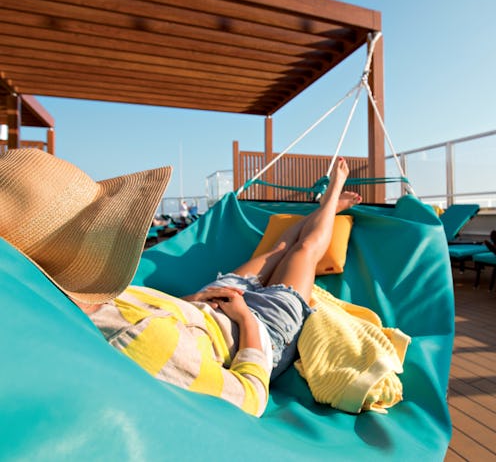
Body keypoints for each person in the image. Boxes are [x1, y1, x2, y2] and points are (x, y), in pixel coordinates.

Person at [0, 148, 361, 417]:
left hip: (210, 304)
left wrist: (198, 298)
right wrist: (245, 317)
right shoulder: (136, 341)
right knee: (304, 251)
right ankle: (331, 200)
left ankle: (324, 210)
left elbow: (165, 318)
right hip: (259, 331)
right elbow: (250, 396)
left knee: (277, 249)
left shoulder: (87, 296)